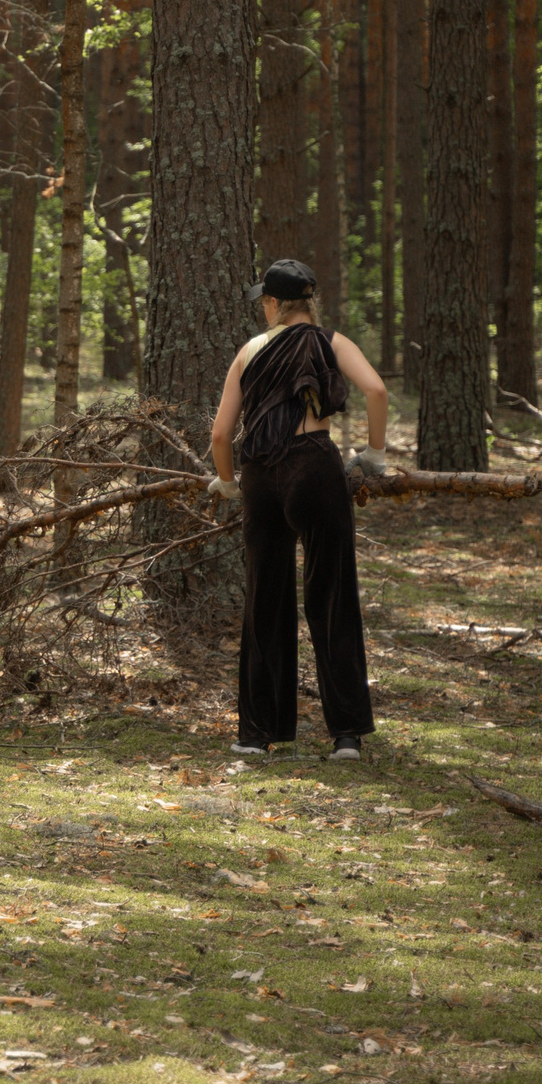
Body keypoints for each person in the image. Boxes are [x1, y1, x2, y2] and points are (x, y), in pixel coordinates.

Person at [206, 259, 389, 760]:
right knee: (331, 594)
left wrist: (228, 483)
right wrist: (374, 454)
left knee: (264, 598)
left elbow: (221, 434)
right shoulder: (331, 341)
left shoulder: (249, 351)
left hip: (260, 475)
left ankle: (256, 733)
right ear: (309, 302)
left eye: (264, 302)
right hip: (312, 466)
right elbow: (376, 389)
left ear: (273, 303)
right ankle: (346, 735)